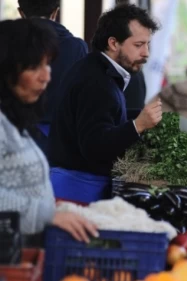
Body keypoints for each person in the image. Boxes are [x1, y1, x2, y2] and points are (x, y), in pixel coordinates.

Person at [48, 4, 161, 204]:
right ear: (113, 43)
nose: (146, 53)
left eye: (148, 44)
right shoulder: (96, 82)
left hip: (77, 184)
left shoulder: (96, 69)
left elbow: (107, 114)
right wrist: (138, 125)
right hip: (76, 190)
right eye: (138, 45)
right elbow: (94, 146)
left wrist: (144, 116)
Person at [0, 18, 97, 243]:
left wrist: (50, 205)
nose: (47, 77)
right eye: (34, 67)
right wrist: (46, 213)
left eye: (47, 64)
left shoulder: (15, 122)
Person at [17, 0, 88, 156]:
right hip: (59, 142)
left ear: (21, 13)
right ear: (55, 13)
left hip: (13, 135)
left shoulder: (8, 43)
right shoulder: (76, 47)